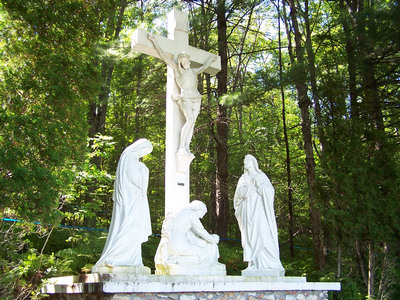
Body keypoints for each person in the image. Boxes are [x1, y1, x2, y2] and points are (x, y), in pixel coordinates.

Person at [147, 33, 217, 155]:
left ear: (189, 61)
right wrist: (154, 41)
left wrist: (211, 59)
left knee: (192, 123)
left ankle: (186, 146)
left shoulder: (194, 71)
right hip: (185, 98)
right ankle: (181, 147)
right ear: (180, 62)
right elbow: (164, 56)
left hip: (196, 98)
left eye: (186, 61)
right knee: (189, 120)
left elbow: (205, 67)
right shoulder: (178, 70)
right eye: (183, 61)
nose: (185, 63)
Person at [92, 139, 153, 271]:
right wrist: (145, 170)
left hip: (133, 200)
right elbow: (136, 180)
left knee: (134, 228)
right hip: (132, 202)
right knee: (131, 226)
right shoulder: (130, 158)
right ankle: (117, 257)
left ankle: (132, 259)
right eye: (145, 151)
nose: (144, 154)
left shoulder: (129, 158)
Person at [233, 155, 285, 274]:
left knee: (263, 232)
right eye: (244, 160)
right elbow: (238, 196)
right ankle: (253, 263)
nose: (244, 162)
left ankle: (271, 263)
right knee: (250, 237)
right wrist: (246, 189)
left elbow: (270, 191)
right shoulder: (243, 178)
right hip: (247, 211)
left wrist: (259, 186)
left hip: (259, 210)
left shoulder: (261, 176)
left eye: (247, 160)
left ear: (253, 162)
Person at [154, 200, 225, 275]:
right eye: (203, 213)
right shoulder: (191, 214)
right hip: (179, 247)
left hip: (168, 247)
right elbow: (201, 231)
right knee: (204, 255)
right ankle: (176, 259)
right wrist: (213, 239)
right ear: (198, 209)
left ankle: (175, 259)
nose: (202, 216)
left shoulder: (176, 213)